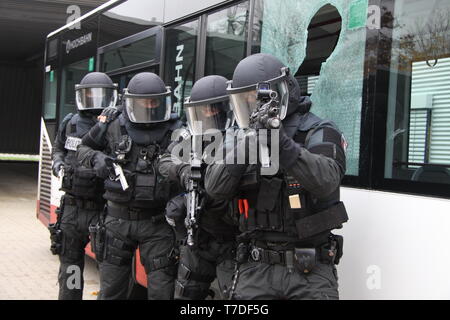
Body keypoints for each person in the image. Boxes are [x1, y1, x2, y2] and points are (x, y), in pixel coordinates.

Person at [204, 53, 348, 300]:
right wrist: (247, 145)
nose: (253, 107)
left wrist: (281, 143)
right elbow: (215, 187)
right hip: (256, 265)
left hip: (310, 268)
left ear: (283, 92)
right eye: (245, 101)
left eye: (257, 99)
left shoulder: (319, 129)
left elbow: (327, 181)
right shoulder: (238, 136)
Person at [76, 72, 182, 300]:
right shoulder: (112, 124)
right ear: (130, 102)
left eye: (155, 101)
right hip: (117, 220)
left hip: (157, 222)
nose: (150, 106)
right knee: (112, 291)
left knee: (162, 291)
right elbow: (82, 150)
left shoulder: (176, 128)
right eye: (144, 101)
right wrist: (97, 158)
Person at [162, 75, 239, 300]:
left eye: (211, 109)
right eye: (201, 109)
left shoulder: (240, 136)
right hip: (198, 237)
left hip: (232, 240)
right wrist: (185, 172)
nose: (206, 114)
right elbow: (165, 161)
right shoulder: (191, 136)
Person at [50, 72, 118, 300]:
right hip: (71, 207)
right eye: (90, 94)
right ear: (81, 95)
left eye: (100, 95)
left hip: (102, 208)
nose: (95, 99)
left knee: (110, 269)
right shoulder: (70, 122)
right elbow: (58, 148)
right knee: (70, 266)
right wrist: (58, 163)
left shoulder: (116, 125)